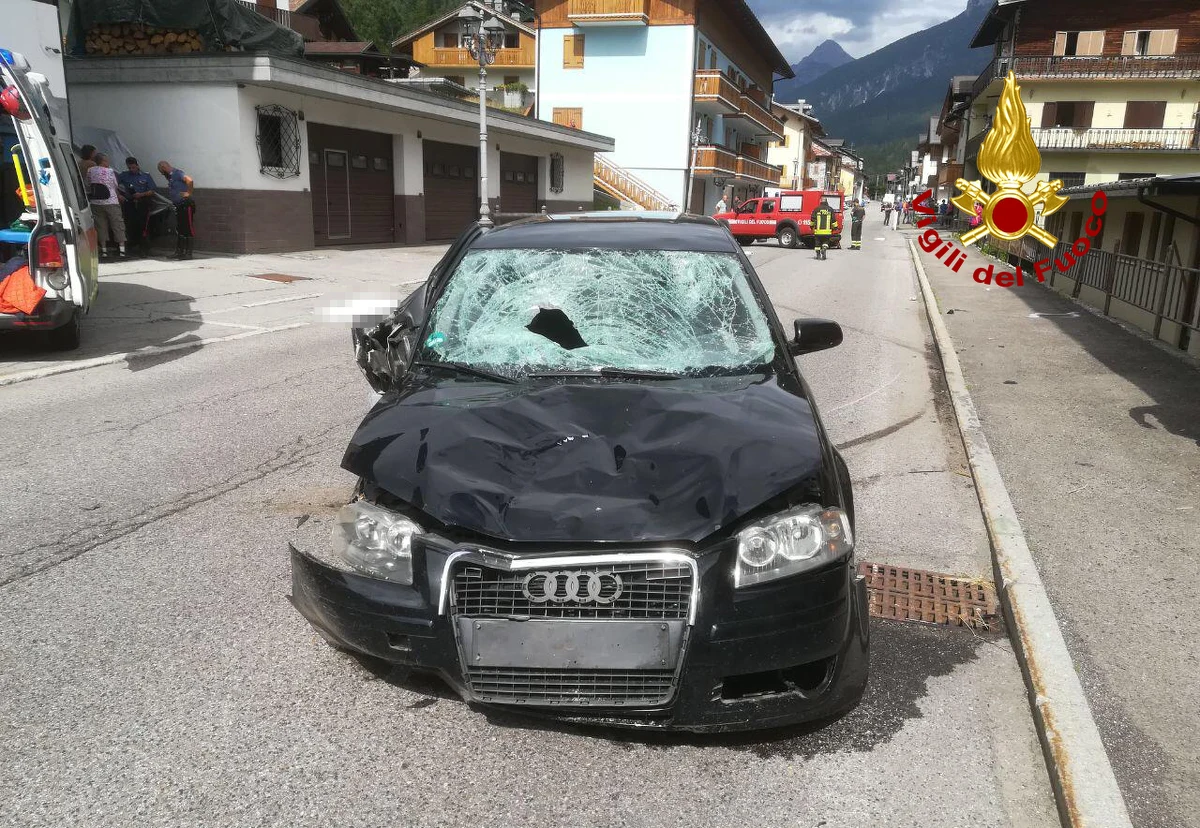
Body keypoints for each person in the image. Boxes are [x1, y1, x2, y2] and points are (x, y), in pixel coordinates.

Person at [86, 153, 127, 260]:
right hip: (111, 201)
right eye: (107, 161)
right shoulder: (109, 171)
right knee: (117, 224)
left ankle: (104, 250)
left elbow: (88, 183)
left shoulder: (90, 170)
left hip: (96, 202)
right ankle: (122, 250)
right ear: (103, 161)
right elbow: (115, 185)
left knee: (100, 225)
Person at [117, 157, 156, 257]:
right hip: (129, 203)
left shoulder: (145, 176)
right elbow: (112, 184)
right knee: (130, 225)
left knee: (143, 226)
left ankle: (144, 249)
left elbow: (152, 190)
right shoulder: (124, 175)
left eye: (133, 167)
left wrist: (141, 194)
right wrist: (118, 195)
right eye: (129, 168)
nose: (131, 170)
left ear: (137, 166)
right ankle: (131, 246)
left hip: (143, 202)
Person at [158, 160, 195, 260]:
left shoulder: (177, 173)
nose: (163, 175)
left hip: (185, 204)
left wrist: (189, 193)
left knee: (187, 228)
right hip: (178, 205)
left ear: (163, 168)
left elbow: (190, 180)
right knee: (180, 228)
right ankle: (180, 251)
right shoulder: (171, 177)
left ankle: (188, 253)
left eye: (162, 172)